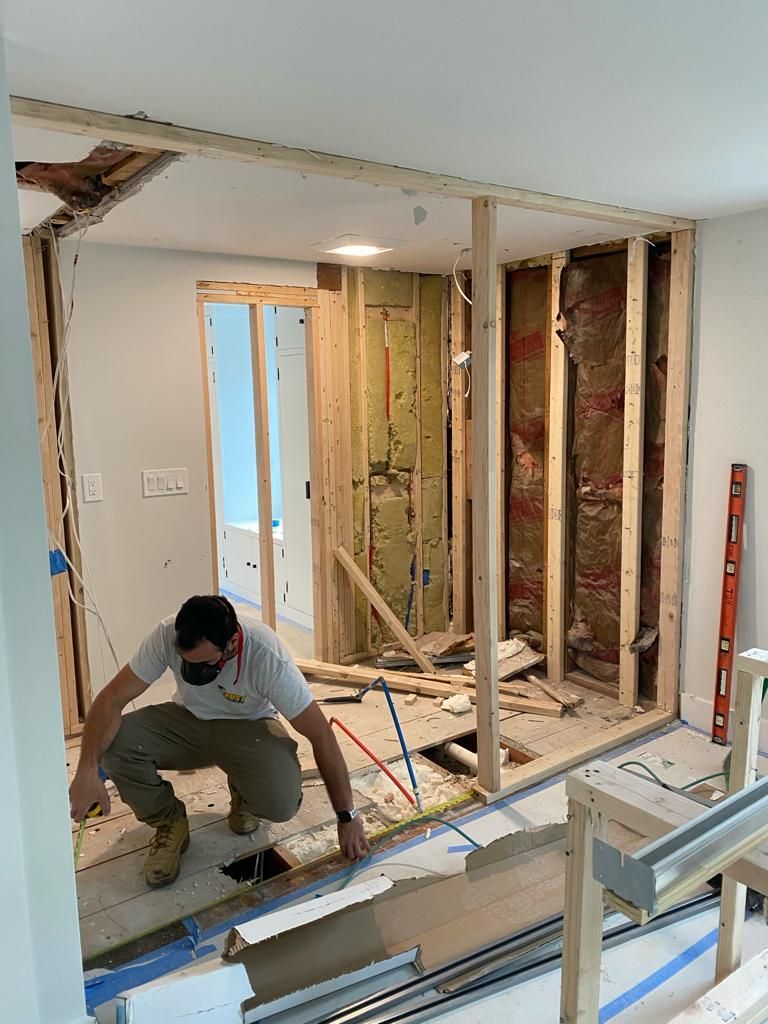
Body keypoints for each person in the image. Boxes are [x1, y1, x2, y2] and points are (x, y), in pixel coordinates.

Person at [69, 594, 370, 887]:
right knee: (118, 745)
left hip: (249, 728)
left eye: (205, 664)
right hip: (187, 721)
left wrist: (347, 816)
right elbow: (111, 699)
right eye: (188, 663)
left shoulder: (266, 656)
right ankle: (169, 823)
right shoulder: (166, 634)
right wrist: (86, 770)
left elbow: (321, 735)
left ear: (232, 644)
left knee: (281, 804)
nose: (195, 671)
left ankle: (244, 789)